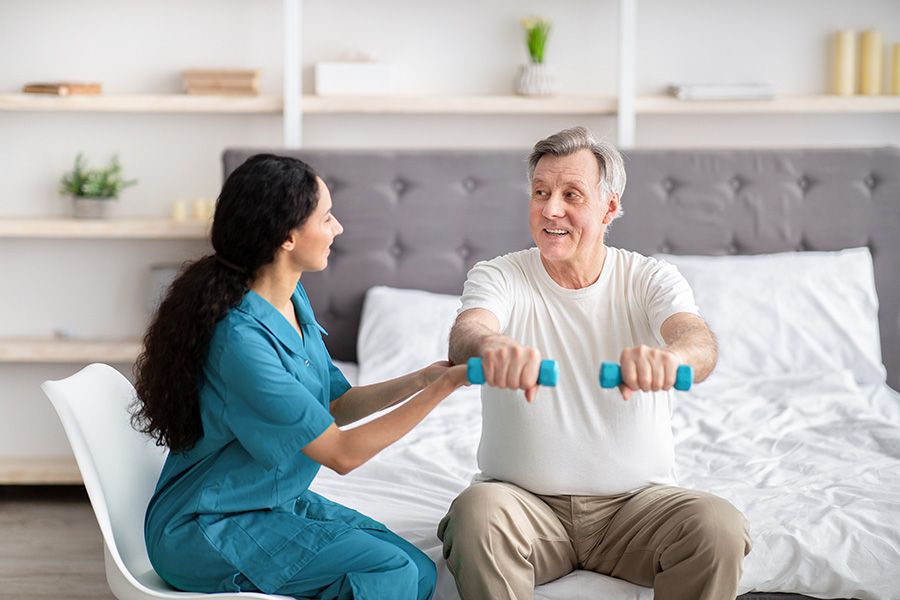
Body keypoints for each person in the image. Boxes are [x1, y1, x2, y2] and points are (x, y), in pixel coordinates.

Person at [132, 153, 468, 600]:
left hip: (270, 505)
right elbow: (341, 454)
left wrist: (422, 379)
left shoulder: (291, 299)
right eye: (326, 218)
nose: (338, 229)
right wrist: (444, 390)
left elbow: (332, 404)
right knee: (390, 574)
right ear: (289, 236)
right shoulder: (240, 343)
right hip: (207, 526)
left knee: (419, 570)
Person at [437, 126, 752, 600]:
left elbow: (696, 340)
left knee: (719, 526)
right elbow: (468, 334)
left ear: (609, 207)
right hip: (524, 507)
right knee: (475, 513)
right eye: (540, 192)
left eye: (571, 194)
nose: (550, 209)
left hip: (638, 509)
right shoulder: (499, 274)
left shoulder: (650, 278)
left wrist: (671, 359)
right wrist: (492, 347)